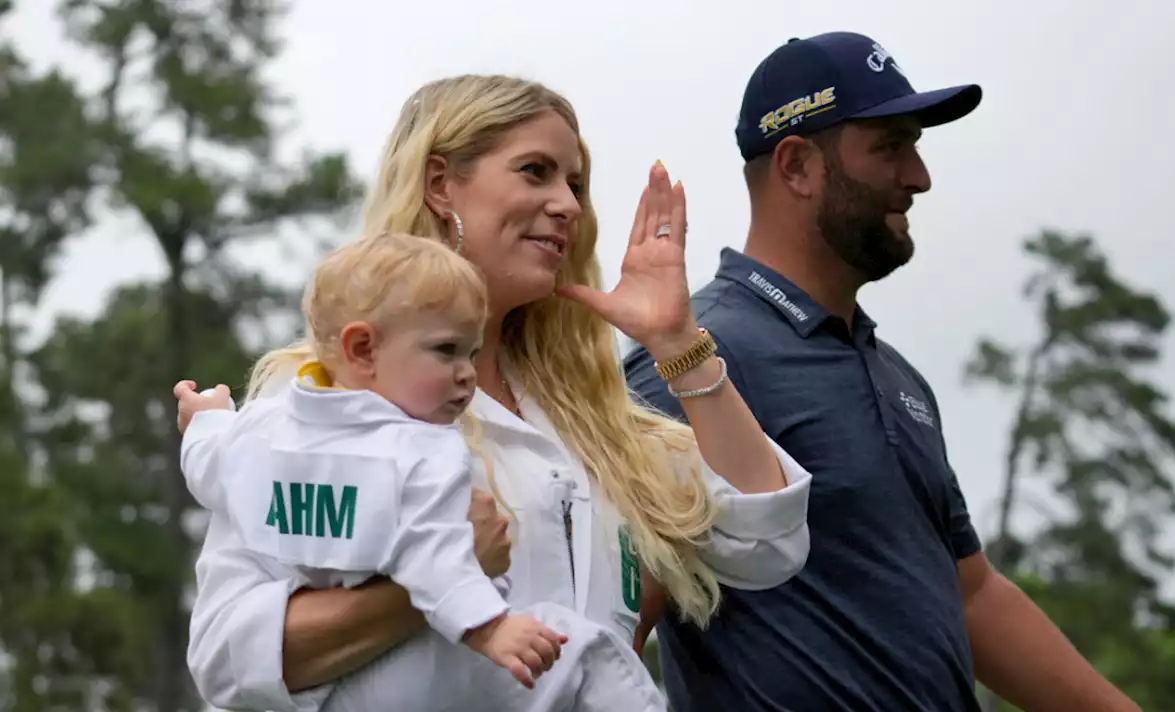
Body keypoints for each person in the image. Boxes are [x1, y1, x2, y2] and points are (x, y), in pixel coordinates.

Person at [180, 74, 814, 712]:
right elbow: (230, 656)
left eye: (575, 184)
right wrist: (445, 578)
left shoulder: (593, 425)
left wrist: (676, 342)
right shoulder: (326, 400)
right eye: (535, 171)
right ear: (439, 184)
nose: (567, 204)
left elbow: (769, 542)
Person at [625, 32, 1142, 712]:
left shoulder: (898, 378)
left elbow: (972, 593)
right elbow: (615, 606)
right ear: (797, 166)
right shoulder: (695, 358)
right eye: (891, 146)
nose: (919, 176)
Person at [176, 232, 668, 711]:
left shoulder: (263, 427)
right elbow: (438, 558)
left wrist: (208, 417)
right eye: (446, 351)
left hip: (332, 692)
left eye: (471, 354)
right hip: (426, 672)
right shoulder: (424, 450)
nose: (466, 374)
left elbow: (208, 465)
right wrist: (490, 626)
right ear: (363, 349)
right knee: (584, 651)